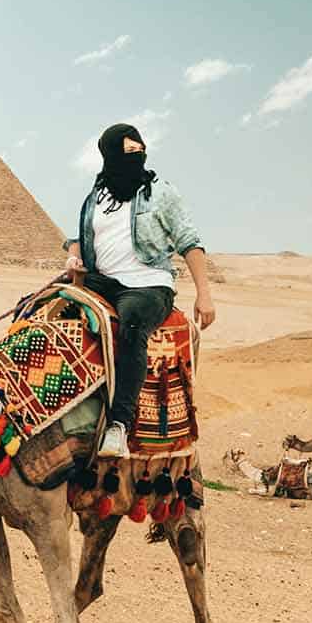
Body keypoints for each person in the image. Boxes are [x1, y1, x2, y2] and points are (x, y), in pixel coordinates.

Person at [64, 122, 216, 458]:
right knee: (44, 306)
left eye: (140, 150)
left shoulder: (161, 192)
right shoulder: (96, 196)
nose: (137, 156)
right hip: (101, 279)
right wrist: (73, 259)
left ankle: (119, 425)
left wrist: (204, 294)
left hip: (148, 284)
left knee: (131, 324)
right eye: (128, 151)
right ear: (110, 154)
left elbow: (189, 241)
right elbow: (77, 239)